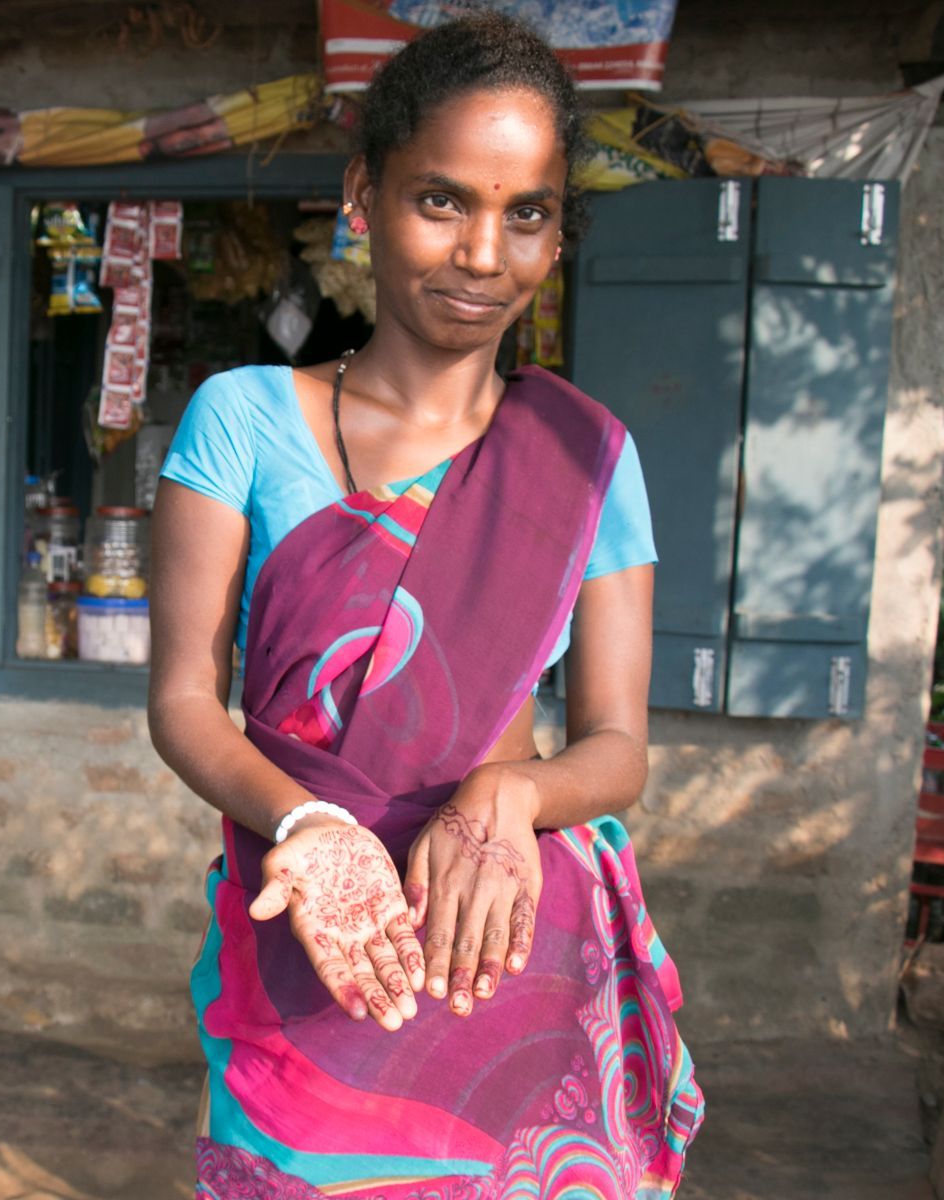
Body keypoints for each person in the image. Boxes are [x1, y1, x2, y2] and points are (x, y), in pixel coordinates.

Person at [147, 12, 704, 1198]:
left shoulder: (583, 459)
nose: (482, 253)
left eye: (527, 213)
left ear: (558, 238)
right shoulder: (246, 420)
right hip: (312, 935)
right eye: (441, 201)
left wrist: (514, 793)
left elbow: (617, 747)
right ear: (365, 195)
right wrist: (310, 829)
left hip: (503, 942)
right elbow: (185, 700)